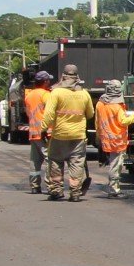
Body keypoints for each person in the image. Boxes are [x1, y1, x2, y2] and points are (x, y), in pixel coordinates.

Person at [39, 64, 95, 201]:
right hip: (78, 136)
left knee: (55, 161)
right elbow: (90, 114)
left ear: (63, 76)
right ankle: (75, 193)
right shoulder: (84, 94)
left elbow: (48, 115)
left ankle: (56, 190)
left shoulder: (56, 93)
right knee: (76, 163)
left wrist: (43, 129)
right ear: (77, 77)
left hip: (59, 136)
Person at [95, 79, 134, 199]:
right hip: (117, 139)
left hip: (106, 137)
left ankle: (114, 188)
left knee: (112, 162)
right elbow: (123, 121)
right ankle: (114, 190)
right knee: (116, 164)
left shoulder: (100, 104)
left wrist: (98, 136)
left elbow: (97, 121)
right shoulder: (117, 106)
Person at [23, 69, 53, 193]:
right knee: (50, 159)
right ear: (45, 81)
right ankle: (51, 185)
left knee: (35, 161)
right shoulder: (46, 95)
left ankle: (34, 186)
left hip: (33, 132)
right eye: (49, 80)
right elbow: (51, 111)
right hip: (44, 132)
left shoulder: (29, 95)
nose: (50, 82)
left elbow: (28, 112)